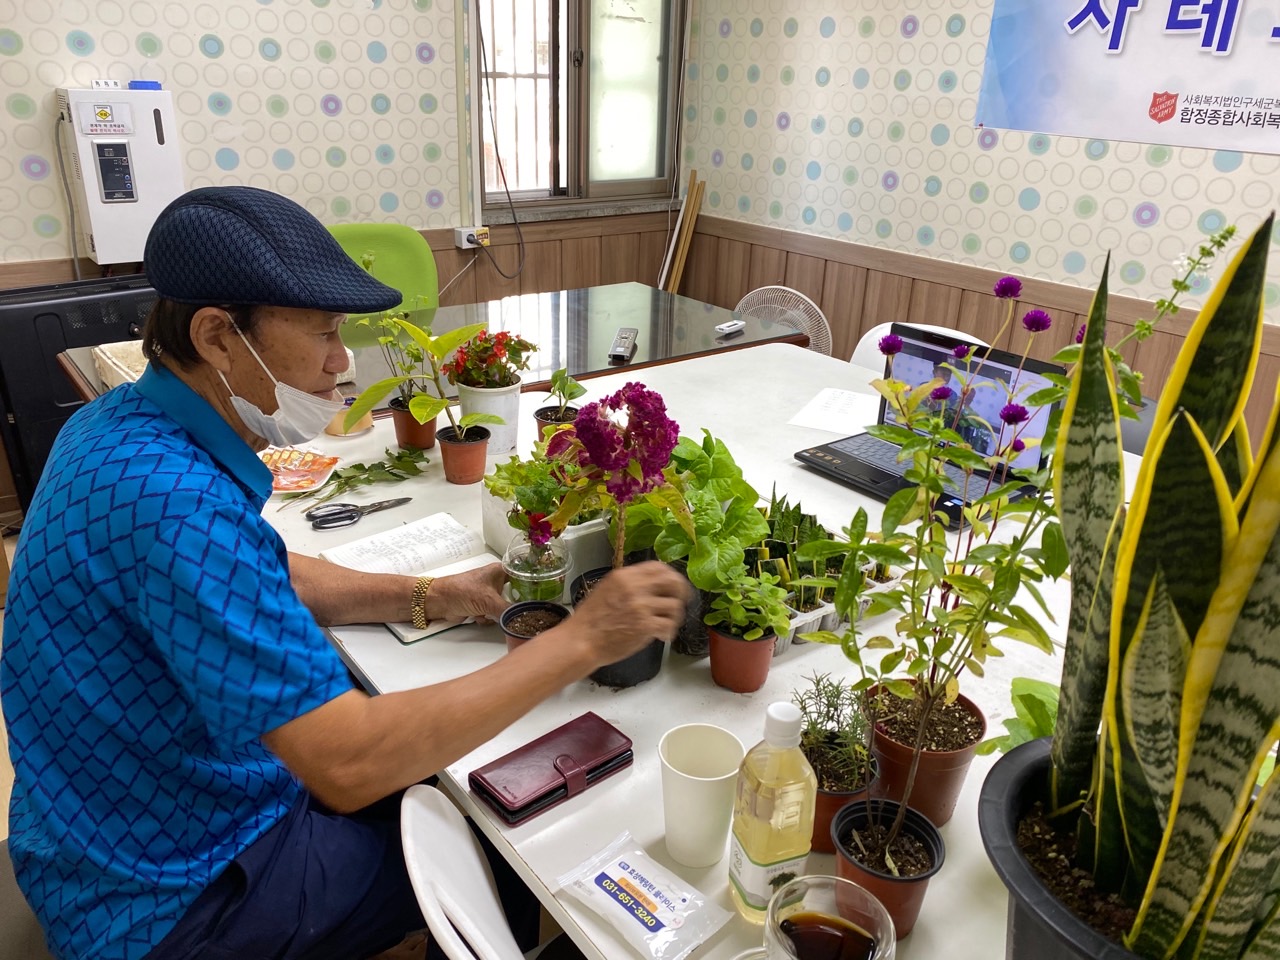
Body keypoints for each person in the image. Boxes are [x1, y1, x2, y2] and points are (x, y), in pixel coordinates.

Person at [0, 186, 689, 960]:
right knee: (499, 830)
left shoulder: (115, 426)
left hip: (89, 828)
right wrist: (582, 641)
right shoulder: (174, 507)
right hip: (172, 900)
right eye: (325, 334)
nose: (342, 363)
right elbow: (348, 765)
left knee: (436, 767)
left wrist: (435, 594)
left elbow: (266, 573)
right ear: (218, 336)